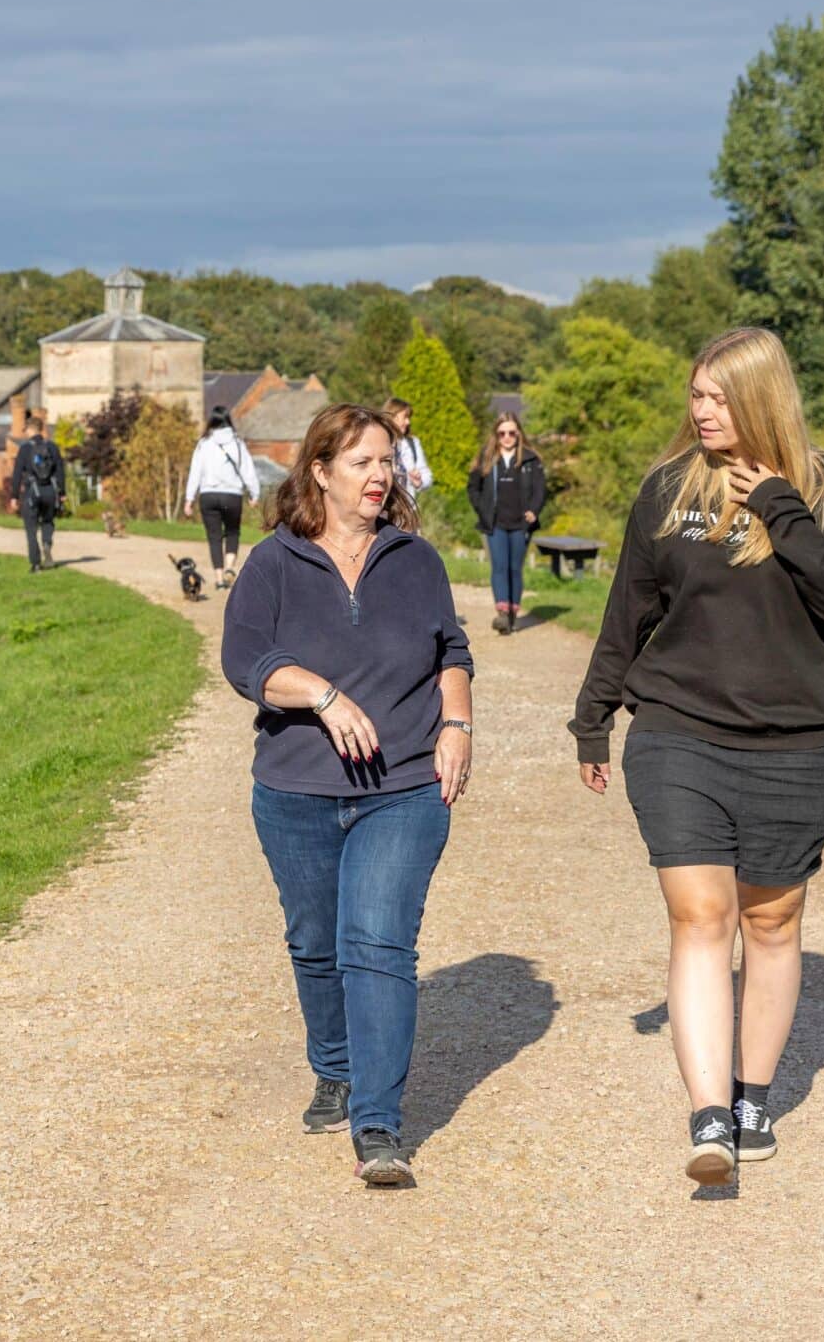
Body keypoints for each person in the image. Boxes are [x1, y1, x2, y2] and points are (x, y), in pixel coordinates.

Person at [569, 328, 824, 1184]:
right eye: (696, 397)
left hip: (796, 746)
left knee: (772, 923)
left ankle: (753, 1097)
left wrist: (780, 504)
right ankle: (709, 1117)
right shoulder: (668, 490)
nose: (700, 413)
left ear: (759, 397)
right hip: (679, 732)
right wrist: (593, 718)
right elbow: (627, 608)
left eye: (717, 397)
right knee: (700, 915)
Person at [221, 403, 474, 1188]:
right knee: (316, 941)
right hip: (295, 789)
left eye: (386, 461)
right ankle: (332, 1067)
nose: (378, 475)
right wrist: (322, 696)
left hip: (403, 788)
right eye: (361, 461)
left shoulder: (416, 560)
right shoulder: (273, 562)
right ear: (320, 472)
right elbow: (245, 661)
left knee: (379, 943)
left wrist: (457, 723)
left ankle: (377, 1123)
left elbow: (451, 650)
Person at [465, 415, 545, 634]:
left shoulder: (531, 460)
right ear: (496, 435)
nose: (507, 437)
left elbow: (540, 490)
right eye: (502, 433)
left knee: (514, 568)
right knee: (499, 567)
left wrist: (534, 511)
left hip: (521, 524)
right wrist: (482, 509)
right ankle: (502, 612)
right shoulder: (486, 458)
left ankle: (512, 613)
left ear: (518, 433)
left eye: (511, 432)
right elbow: (473, 487)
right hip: (495, 523)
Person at [180, 404, 262, 589]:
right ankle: (229, 567)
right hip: (232, 496)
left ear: (212, 422)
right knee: (232, 532)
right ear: (228, 421)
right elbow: (248, 470)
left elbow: (195, 472)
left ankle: (218, 579)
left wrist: (189, 499)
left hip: (208, 495)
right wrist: (254, 493)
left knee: (214, 537)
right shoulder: (238, 443)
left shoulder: (204, 443)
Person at [9, 413, 65, 573]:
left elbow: (17, 473)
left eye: (26, 430)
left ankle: (36, 564)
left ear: (30, 429)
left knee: (31, 528)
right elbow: (60, 470)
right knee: (48, 521)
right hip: (50, 492)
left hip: (32, 492)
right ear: (42, 429)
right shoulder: (52, 447)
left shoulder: (25, 449)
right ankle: (47, 543)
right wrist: (62, 492)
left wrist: (14, 496)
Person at [381, 398, 432, 496]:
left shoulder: (412, 443)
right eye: (405, 417)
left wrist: (419, 481)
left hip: (407, 508)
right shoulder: (377, 441)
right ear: (393, 416)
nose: (408, 422)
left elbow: (427, 475)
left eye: (409, 418)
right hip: (381, 508)